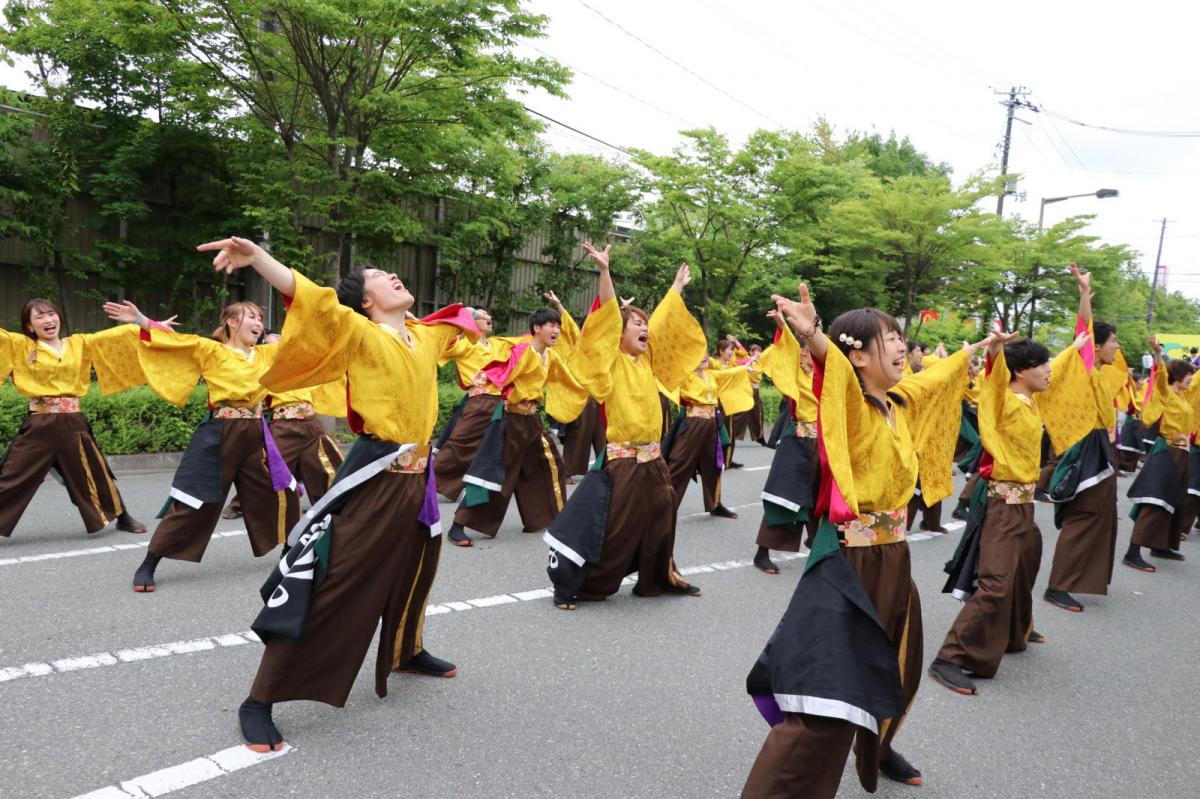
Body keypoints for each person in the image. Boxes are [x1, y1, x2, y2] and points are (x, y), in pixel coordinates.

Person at [193, 236, 476, 753]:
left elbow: (467, 337)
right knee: (330, 579)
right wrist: (259, 258)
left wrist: (475, 322)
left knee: (417, 566)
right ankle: (259, 700)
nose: (394, 277)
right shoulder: (360, 332)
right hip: (379, 473)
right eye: (379, 276)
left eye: (393, 273)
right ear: (365, 301)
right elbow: (314, 299)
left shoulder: (423, 336)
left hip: (421, 477)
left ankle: (405, 650)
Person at [744, 285, 986, 797]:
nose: (903, 346)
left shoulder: (900, 402)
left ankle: (876, 744)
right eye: (891, 338)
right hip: (850, 565)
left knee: (898, 666)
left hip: (892, 558)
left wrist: (973, 350)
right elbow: (832, 370)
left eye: (902, 336)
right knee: (825, 698)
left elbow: (937, 377)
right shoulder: (851, 403)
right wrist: (810, 332)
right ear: (858, 354)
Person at [931, 315, 1094, 695]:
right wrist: (997, 348)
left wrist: (1080, 339)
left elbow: (1068, 366)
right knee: (996, 583)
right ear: (1020, 371)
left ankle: (1014, 630)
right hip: (1003, 504)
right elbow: (991, 382)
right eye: (1041, 364)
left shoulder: (1031, 400)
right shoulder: (1003, 400)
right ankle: (949, 658)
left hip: (1022, 505)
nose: (1049, 370)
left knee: (1026, 564)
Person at [104, 299, 303, 592]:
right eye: (251, 316)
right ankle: (149, 562)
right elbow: (176, 344)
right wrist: (142, 320)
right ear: (232, 322)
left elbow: (304, 346)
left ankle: (291, 558)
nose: (258, 323)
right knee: (193, 500)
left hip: (256, 433)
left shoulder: (265, 354)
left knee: (282, 492)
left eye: (260, 317)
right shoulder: (213, 350)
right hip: (220, 433)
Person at [544, 244, 702, 609]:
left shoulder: (646, 364)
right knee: (616, 530)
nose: (645, 328)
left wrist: (676, 290)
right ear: (619, 334)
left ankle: (657, 579)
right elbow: (606, 321)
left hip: (653, 459)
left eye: (645, 323)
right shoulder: (612, 361)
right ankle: (583, 585)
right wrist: (604, 274)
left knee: (662, 519)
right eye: (637, 323)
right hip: (624, 461)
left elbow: (662, 325)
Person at [0, 299, 149, 538]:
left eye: (51, 314)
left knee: (95, 472)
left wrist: (144, 321)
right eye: (40, 317)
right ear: (29, 326)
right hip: (40, 424)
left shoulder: (79, 344)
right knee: (11, 476)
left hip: (73, 423)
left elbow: (124, 336)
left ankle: (122, 517)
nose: (48, 320)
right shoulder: (21, 346)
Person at [446, 303, 584, 546]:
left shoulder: (551, 356)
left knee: (550, 465)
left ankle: (552, 519)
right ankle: (458, 525)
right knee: (491, 474)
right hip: (511, 421)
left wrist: (594, 388)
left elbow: (569, 380)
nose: (556, 331)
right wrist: (486, 377)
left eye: (558, 327)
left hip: (531, 420)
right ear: (536, 328)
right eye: (552, 325)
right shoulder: (523, 351)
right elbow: (504, 372)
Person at [1039, 265, 1127, 612]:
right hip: (1089, 448)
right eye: (1114, 342)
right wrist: (1083, 294)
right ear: (1099, 346)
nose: (1117, 347)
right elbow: (1085, 333)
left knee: (1101, 517)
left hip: (1103, 449)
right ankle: (1058, 584)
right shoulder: (1087, 370)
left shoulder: (1107, 375)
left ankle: (1077, 580)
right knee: (1085, 516)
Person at [1123, 336, 1199, 572]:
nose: (1192, 376)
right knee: (1156, 500)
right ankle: (1132, 552)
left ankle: (1161, 545)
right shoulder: (1166, 392)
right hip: (1168, 452)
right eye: (1189, 373)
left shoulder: (1183, 396)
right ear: (1178, 376)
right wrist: (1158, 353)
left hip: (1181, 454)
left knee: (1176, 500)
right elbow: (1160, 374)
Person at [751, 315, 818, 575]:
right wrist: (782, 325)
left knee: (820, 498)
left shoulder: (826, 376)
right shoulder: (794, 374)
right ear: (801, 353)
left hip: (822, 443)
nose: (812, 355)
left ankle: (819, 545)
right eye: (808, 350)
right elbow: (787, 349)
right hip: (797, 441)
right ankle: (762, 552)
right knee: (784, 496)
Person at [432, 307, 514, 509]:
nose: (489, 317)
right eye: (482, 316)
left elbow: (526, 343)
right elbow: (442, 343)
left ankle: (473, 489)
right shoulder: (466, 344)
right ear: (472, 322)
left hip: (499, 403)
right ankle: (423, 482)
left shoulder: (497, 344)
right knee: (459, 444)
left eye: (489, 315)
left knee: (491, 448)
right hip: (478, 401)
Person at [664, 346, 755, 519]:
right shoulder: (685, 377)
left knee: (714, 464)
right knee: (678, 463)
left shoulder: (711, 374)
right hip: (693, 423)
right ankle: (665, 506)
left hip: (711, 423)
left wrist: (745, 367)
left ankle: (715, 503)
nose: (703, 357)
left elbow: (729, 374)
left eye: (704, 353)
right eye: (697, 354)